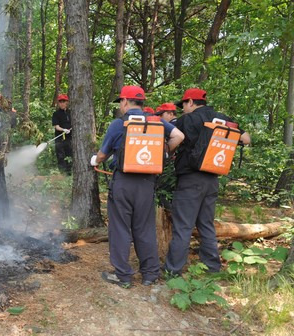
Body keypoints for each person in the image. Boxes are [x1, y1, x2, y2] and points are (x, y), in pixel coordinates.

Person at [90, 86, 184, 288]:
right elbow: (180, 136)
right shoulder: (157, 122)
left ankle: (123, 276)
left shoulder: (119, 124)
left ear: (125, 101)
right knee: (145, 228)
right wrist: (163, 152)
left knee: (120, 228)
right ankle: (150, 274)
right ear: (141, 103)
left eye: (121, 102)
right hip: (147, 183)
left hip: (123, 183)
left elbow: (103, 155)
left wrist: (94, 161)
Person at [164, 88, 251, 276]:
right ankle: (212, 268)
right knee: (206, 225)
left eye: (184, 105)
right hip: (212, 179)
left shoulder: (186, 120)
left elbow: (174, 139)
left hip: (189, 179)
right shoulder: (222, 119)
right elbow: (246, 139)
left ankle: (173, 270)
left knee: (183, 227)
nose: (183, 109)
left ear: (190, 102)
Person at [51, 93, 73, 175]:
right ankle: (62, 175)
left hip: (69, 139)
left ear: (67, 102)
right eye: (60, 101)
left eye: (64, 101)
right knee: (60, 157)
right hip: (59, 139)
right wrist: (63, 129)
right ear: (58, 103)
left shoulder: (71, 112)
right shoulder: (56, 114)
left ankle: (69, 174)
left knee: (69, 155)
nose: (62, 103)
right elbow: (56, 126)